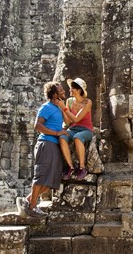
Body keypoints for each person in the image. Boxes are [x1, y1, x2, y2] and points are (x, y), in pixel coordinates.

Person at [19, 82, 68, 216]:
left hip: (55, 146)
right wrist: (57, 133)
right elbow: (37, 126)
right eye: (61, 90)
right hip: (46, 144)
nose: (64, 91)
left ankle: (28, 200)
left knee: (51, 180)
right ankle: (32, 207)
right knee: (41, 176)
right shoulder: (46, 107)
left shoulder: (58, 107)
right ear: (54, 94)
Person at [59, 78, 93, 180]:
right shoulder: (69, 101)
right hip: (73, 129)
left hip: (86, 130)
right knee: (62, 137)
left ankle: (82, 167)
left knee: (78, 137)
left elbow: (76, 119)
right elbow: (69, 122)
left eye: (72, 88)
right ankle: (71, 167)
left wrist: (64, 108)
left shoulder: (88, 102)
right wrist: (63, 109)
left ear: (79, 90)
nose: (69, 90)